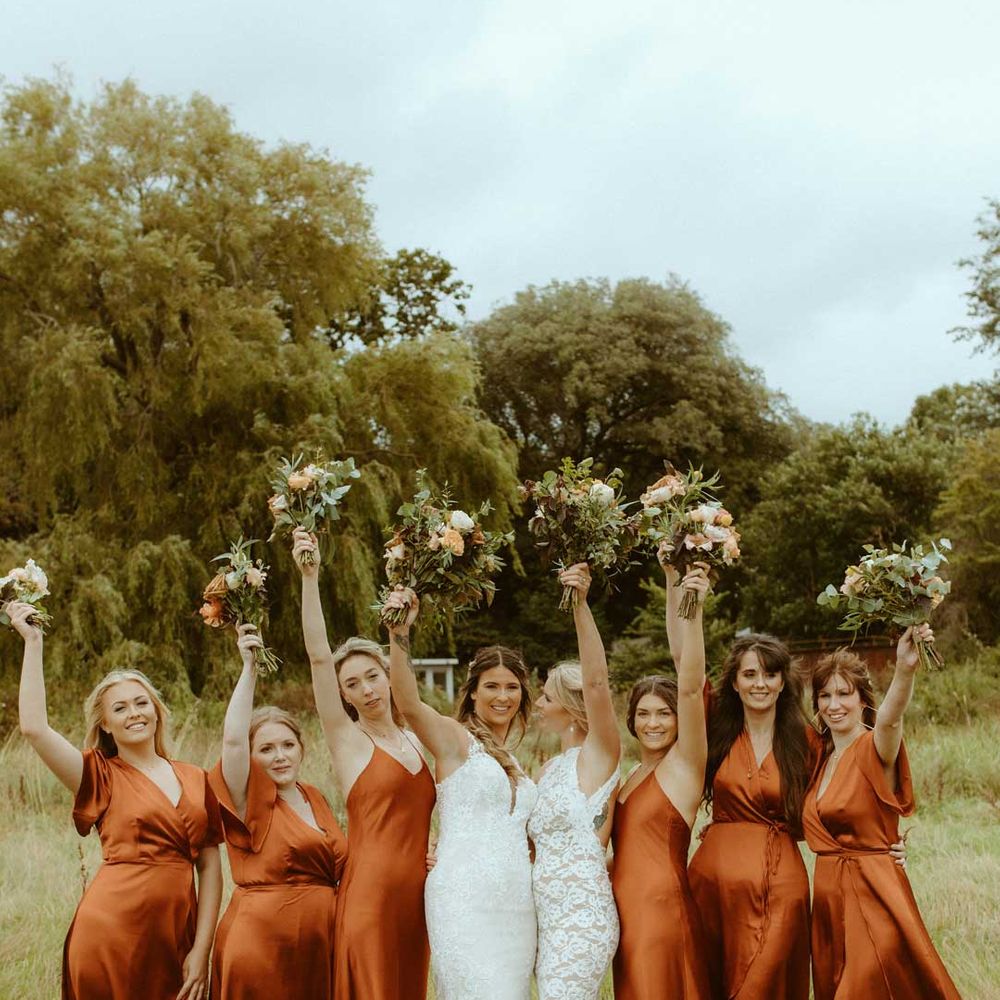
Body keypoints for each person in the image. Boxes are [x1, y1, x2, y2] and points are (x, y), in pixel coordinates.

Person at [9, 599, 222, 1000]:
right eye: (119, 708)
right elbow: (34, 728)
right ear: (105, 723)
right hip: (109, 931)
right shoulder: (98, 774)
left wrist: (202, 948)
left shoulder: (196, 778)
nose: (134, 713)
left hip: (177, 933)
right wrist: (33, 641)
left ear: (156, 710)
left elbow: (210, 867)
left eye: (142, 703)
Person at [294, 529, 436, 999]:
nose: (368, 690)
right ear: (343, 695)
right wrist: (310, 577)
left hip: (417, 899)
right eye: (353, 685)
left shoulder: (419, 740)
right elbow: (318, 657)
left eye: (373, 676)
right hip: (369, 897)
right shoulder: (348, 740)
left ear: (388, 675)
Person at [385, 585, 536, 1000]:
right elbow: (408, 702)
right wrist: (400, 633)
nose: (502, 696)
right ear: (472, 691)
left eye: (511, 687)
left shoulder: (518, 762)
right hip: (464, 899)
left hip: (516, 905)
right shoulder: (455, 740)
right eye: (491, 686)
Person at [804, 631, 961, 1000]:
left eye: (844, 694)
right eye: (825, 695)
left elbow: (891, 720)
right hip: (827, 899)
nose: (834, 704)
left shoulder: (875, 747)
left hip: (872, 892)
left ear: (863, 701)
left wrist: (905, 669)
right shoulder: (819, 759)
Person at [209, 623, 348, 999]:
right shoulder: (247, 798)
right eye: (267, 749)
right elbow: (233, 739)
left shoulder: (314, 796)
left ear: (302, 748)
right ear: (251, 758)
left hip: (318, 947)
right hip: (262, 945)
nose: (280, 755)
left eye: (288, 744)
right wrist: (249, 669)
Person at [611, 562, 712, 999]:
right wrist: (670, 574)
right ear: (631, 720)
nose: (653, 723)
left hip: (661, 912)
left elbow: (690, 684)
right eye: (644, 713)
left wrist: (693, 605)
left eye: (664, 713)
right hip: (624, 915)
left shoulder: (685, 765)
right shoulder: (629, 775)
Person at [529, 563, 621, 999]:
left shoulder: (598, 756)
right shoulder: (548, 770)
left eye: (546, 696)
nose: (538, 704)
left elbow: (598, 683)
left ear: (569, 704)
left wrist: (580, 607)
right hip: (545, 917)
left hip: (583, 917)